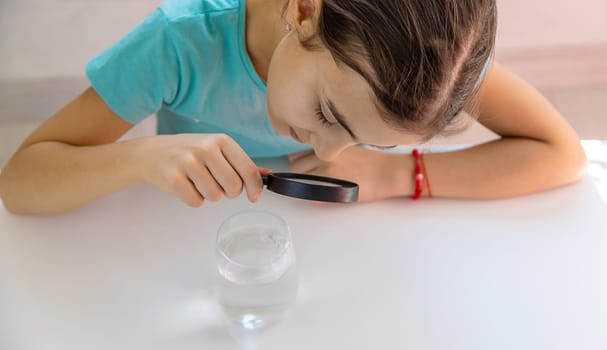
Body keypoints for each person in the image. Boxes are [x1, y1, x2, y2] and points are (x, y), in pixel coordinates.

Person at [0, 0, 587, 214]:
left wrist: (398, 173)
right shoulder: (181, 43)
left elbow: (563, 154)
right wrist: (141, 158)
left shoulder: (433, 66)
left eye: (368, 138)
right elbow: (21, 180)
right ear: (306, 11)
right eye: (329, 116)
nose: (328, 151)